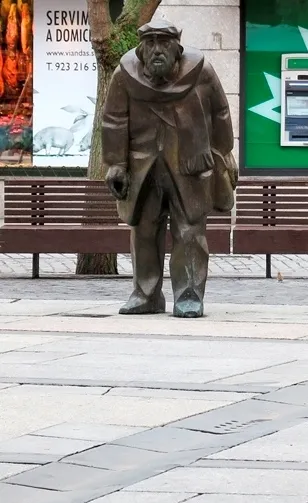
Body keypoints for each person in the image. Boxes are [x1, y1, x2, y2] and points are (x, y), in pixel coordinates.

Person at [103, 20, 238, 318]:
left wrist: (223, 153)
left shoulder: (201, 72)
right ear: (140, 50)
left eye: (163, 43)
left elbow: (221, 113)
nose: (156, 51)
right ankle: (145, 294)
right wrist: (116, 164)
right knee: (143, 231)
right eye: (150, 44)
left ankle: (188, 295)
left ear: (177, 47)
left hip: (190, 163)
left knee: (190, 230)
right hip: (142, 166)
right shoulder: (124, 76)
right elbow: (113, 119)